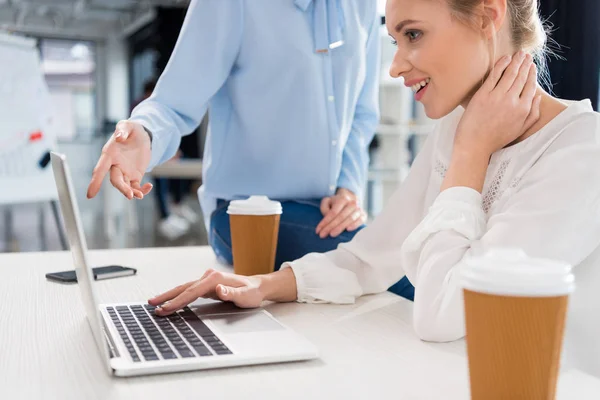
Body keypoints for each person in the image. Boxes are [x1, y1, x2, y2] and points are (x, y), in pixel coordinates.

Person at [148, 0, 600, 377]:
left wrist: (470, 153)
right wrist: (261, 285)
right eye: (394, 41)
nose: (397, 65)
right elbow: (369, 258)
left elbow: (442, 314)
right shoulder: (460, 129)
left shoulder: (582, 151)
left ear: (486, 17)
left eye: (414, 35)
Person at [85, 1, 418, 299]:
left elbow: (361, 114)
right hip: (243, 217)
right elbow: (173, 102)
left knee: (397, 266)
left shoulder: (360, 6)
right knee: (397, 273)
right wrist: (144, 132)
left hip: (325, 214)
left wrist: (348, 186)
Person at [131, 79, 197, 240]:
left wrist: (173, 151)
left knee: (181, 167)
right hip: (147, 157)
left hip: (162, 152)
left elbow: (168, 131)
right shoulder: (139, 110)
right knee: (159, 177)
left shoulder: (161, 110)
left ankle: (178, 203)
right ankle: (165, 217)